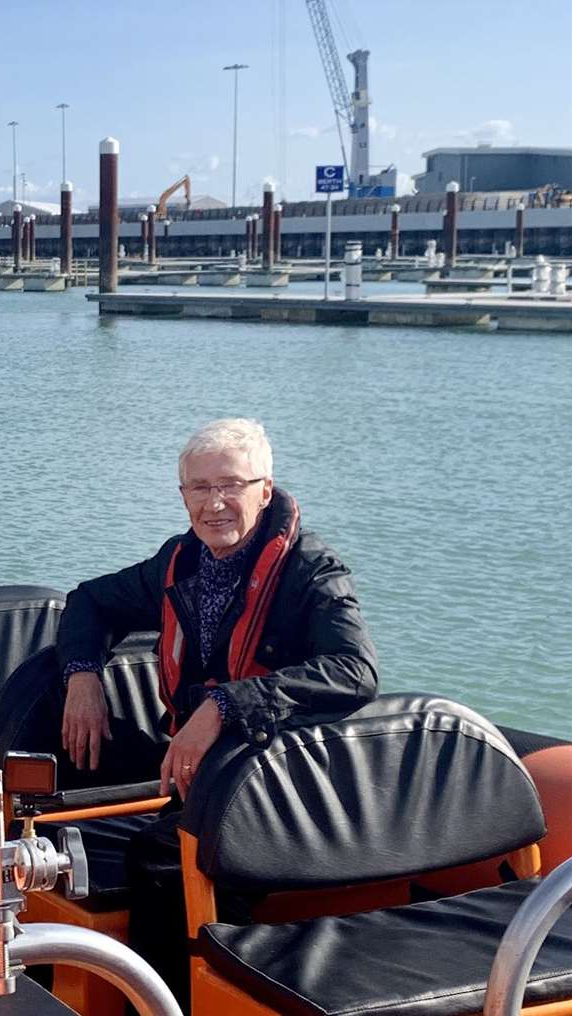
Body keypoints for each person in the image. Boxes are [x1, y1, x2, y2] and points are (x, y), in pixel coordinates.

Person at [52, 417, 378, 1004]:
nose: (215, 504)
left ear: (265, 490)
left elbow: (356, 671)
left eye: (231, 485)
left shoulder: (312, 572)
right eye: (199, 489)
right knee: (157, 850)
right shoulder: (180, 562)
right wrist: (83, 678)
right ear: (183, 496)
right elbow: (88, 601)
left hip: (286, 785)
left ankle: (170, 1004)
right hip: (208, 788)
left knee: (161, 862)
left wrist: (227, 704)